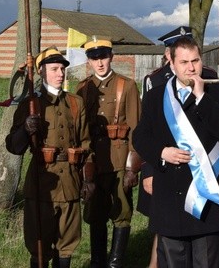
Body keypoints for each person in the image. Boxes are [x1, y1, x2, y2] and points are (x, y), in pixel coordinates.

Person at [132, 36, 219, 268]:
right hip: (170, 199)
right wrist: (161, 152)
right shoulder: (155, 96)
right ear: (172, 64)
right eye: (184, 62)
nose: (191, 68)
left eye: (196, 61)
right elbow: (140, 137)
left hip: (207, 199)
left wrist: (201, 98)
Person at [6, 47, 91, 268]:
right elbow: (14, 147)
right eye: (54, 69)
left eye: (62, 68)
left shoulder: (75, 103)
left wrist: (88, 179)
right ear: (41, 71)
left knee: (67, 245)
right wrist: (25, 129)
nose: (60, 74)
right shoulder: (30, 104)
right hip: (42, 186)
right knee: (39, 246)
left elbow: (85, 144)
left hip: (71, 184)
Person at [76, 37, 142, 268]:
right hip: (94, 160)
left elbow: (136, 128)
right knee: (95, 213)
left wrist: (132, 168)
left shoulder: (127, 85)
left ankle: (115, 263)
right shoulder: (82, 89)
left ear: (111, 56)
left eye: (103, 57)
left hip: (119, 159)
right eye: (94, 58)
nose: (100, 63)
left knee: (121, 212)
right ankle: (97, 261)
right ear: (89, 61)